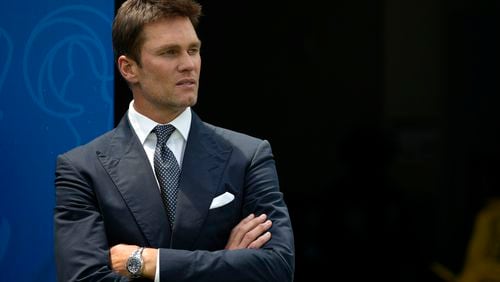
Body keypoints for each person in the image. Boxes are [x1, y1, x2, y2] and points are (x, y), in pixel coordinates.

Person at [53, 0, 295, 281]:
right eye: (169, 53)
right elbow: (84, 278)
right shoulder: (81, 169)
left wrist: (147, 261)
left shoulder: (249, 155)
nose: (188, 64)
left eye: (194, 50)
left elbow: (277, 268)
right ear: (129, 68)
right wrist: (226, 263)